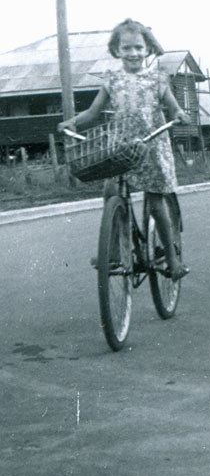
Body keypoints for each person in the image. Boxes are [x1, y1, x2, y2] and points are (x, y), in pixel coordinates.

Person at [58, 18, 191, 280]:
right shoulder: (112, 79)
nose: (133, 53)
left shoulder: (157, 79)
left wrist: (179, 114)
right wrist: (73, 121)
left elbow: (173, 107)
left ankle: (173, 260)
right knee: (111, 191)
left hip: (152, 144)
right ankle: (116, 251)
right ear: (117, 50)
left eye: (138, 48)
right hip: (121, 147)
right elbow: (94, 112)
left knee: (155, 200)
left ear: (148, 49)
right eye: (126, 48)